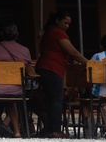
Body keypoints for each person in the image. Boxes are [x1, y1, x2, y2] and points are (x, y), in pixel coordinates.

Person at [35, 10, 89, 138]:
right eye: (65, 23)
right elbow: (73, 52)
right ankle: (55, 129)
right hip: (52, 68)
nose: (67, 26)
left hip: (45, 67)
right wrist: (89, 62)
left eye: (69, 24)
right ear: (57, 20)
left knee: (50, 100)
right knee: (56, 100)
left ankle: (49, 128)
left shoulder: (49, 32)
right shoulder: (57, 33)